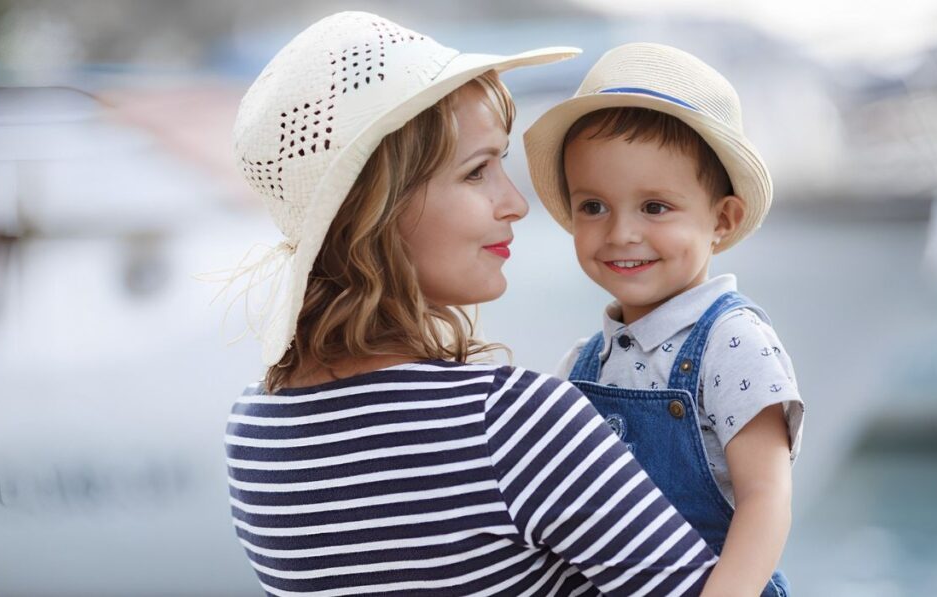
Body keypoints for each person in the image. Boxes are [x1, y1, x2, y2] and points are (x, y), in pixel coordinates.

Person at [217, 13, 717, 596]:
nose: (515, 204)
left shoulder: (254, 431)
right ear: (378, 206)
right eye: (478, 171)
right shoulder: (511, 424)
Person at [524, 43, 805, 597]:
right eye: (594, 206)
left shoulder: (732, 342)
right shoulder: (581, 364)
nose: (621, 232)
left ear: (722, 218)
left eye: (655, 207)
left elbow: (766, 496)